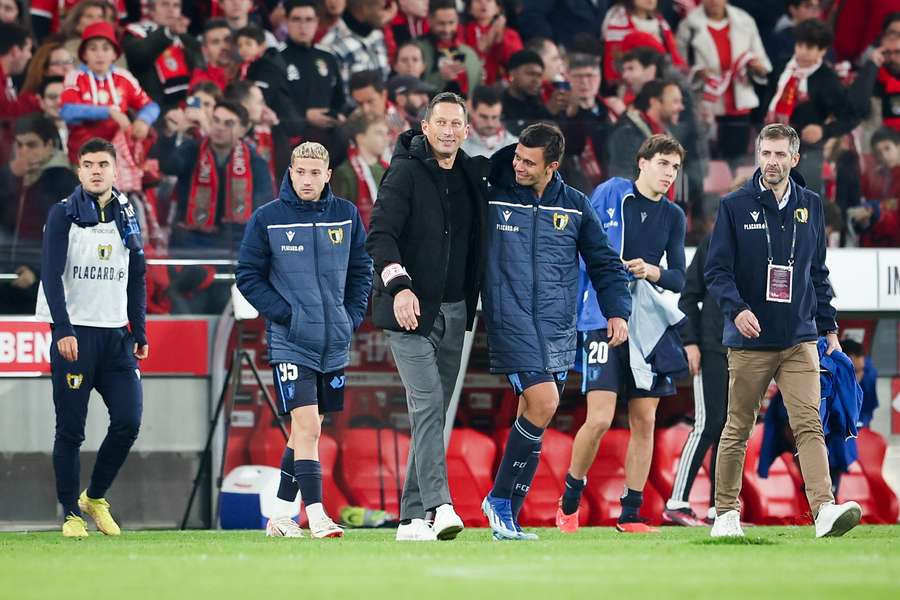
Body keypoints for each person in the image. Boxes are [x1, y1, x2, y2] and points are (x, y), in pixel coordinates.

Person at [704, 123, 862, 539]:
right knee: (737, 425)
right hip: (751, 339)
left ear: (794, 158)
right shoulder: (734, 205)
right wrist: (736, 310)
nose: (771, 162)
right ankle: (725, 514)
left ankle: (824, 510)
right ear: (758, 155)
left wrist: (828, 329)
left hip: (799, 338)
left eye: (780, 155)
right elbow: (716, 271)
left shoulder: (810, 204)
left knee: (810, 423)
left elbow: (817, 273)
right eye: (766, 153)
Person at [481, 123, 632, 541]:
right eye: (517, 157)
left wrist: (617, 312)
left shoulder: (576, 206)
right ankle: (496, 500)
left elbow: (604, 264)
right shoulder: (495, 193)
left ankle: (507, 518)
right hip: (509, 317)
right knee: (544, 403)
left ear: (553, 166)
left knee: (533, 415)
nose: (519, 166)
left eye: (529, 162)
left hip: (558, 326)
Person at [366, 92, 489, 542]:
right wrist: (398, 286)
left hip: (457, 312)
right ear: (425, 126)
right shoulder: (403, 172)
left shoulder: (473, 175)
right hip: (410, 312)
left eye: (457, 124)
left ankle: (410, 519)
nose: (449, 131)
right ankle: (440, 506)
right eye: (441, 123)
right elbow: (379, 235)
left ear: (466, 130)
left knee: (433, 414)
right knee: (429, 404)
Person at [235, 141, 373, 539]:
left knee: (303, 433)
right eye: (301, 172)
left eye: (316, 173)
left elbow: (362, 269)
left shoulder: (346, 215)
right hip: (291, 341)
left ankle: (279, 516)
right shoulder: (268, 219)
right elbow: (248, 275)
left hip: (333, 342)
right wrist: (289, 316)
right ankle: (316, 515)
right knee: (309, 428)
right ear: (290, 172)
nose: (307, 179)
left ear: (328, 175)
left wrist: (350, 317)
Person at [555, 134, 686, 534]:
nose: (669, 174)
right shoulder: (612, 193)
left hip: (646, 325)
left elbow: (680, 276)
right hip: (601, 317)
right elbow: (580, 244)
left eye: (675, 168)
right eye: (663, 164)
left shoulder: (674, 216)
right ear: (642, 163)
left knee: (645, 419)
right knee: (599, 418)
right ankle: (569, 503)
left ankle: (629, 514)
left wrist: (653, 271)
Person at [34, 137, 148, 538]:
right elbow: (50, 274)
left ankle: (94, 497)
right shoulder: (63, 214)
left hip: (117, 337)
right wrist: (61, 328)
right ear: (79, 171)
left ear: (115, 170)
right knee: (70, 430)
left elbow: (137, 273)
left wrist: (140, 328)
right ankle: (69, 514)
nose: (96, 170)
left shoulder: (128, 215)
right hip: (76, 336)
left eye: (103, 164)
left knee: (129, 421)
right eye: (88, 164)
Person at [663, 212, 727, 527]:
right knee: (707, 424)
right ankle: (677, 503)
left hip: (749, 353)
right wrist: (691, 342)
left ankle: (721, 508)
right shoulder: (714, 242)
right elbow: (688, 297)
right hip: (712, 348)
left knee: (733, 429)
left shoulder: (764, 243)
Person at [157, 99, 273, 253]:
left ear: (243, 130)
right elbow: (168, 166)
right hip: (190, 241)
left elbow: (263, 209)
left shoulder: (255, 162)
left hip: (236, 242)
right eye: (216, 120)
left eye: (228, 124)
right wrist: (169, 133)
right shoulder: (192, 149)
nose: (219, 127)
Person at [676, 0, 771, 172]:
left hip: (739, 108)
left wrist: (755, 67)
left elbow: (763, 63)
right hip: (705, 109)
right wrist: (696, 73)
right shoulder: (688, 26)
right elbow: (679, 67)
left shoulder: (745, 21)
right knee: (705, 170)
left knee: (737, 168)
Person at [766, 19, 858, 195]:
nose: (802, 51)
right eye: (799, 45)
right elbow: (766, 101)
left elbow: (851, 117)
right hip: (772, 144)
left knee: (804, 202)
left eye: (809, 47)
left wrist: (823, 130)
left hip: (808, 150)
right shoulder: (781, 67)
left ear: (822, 51)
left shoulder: (827, 79)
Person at [59, 21, 160, 164]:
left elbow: (151, 106)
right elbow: (66, 111)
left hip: (119, 159)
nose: (100, 54)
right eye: (93, 49)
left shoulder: (124, 77)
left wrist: (143, 120)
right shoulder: (75, 77)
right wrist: (109, 112)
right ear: (84, 54)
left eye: (106, 49)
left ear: (114, 54)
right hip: (83, 159)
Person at [280, 0, 346, 139]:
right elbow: (275, 101)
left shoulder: (328, 57)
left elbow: (339, 99)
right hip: (292, 137)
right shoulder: (276, 58)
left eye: (309, 20)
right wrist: (305, 115)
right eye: (296, 19)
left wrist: (336, 116)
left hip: (329, 135)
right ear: (286, 21)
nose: (303, 26)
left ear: (317, 22)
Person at [123, 0, 202, 110]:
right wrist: (167, 33)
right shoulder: (135, 33)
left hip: (185, 109)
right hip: (151, 112)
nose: (171, 10)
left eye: (176, 5)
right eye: (165, 4)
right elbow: (138, 57)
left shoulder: (186, 40)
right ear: (151, 10)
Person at [607, 79, 684, 180]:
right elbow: (622, 183)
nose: (681, 107)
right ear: (655, 103)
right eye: (675, 101)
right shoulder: (627, 134)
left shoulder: (667, 134)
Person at [330, 110, 390, 228]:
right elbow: (337, 217)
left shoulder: (388, 170)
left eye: (386, 133)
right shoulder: (345, 172)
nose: (385, 138)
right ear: (361, 138)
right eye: (379, 133)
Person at [318, 0, 390, 94]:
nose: (384, 14)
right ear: (364, 9)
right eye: (380, 8)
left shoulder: (377, 36)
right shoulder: (331, 47)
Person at [415, 0, 483, 97]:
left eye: (451, 23)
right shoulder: (416, 49)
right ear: (429, 20)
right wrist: (440, 77)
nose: (447, 30)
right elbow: (410, 88)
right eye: (441, 24)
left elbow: (477, 90)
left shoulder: (469, 53)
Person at [501, 50, 552, 136]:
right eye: (530, 74)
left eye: (539, 75)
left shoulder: (538, 102)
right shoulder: (499, 103)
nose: (536, 80)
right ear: (512, 73)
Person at [461, 84, 517, 158]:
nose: (490, 123)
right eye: (484, 117)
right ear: (472, 111)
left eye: (494, 117)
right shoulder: (458, 145)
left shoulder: (515, 146)